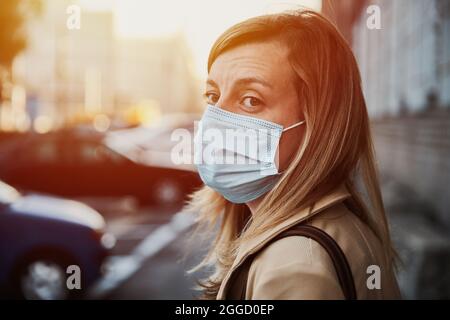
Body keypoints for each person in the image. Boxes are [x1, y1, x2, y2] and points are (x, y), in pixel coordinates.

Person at [187, 10, 401, 300]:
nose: (216, 117)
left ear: (318, 125)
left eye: (250, 100)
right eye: (213, 96)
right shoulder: (340, 224)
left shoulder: (295, 268)